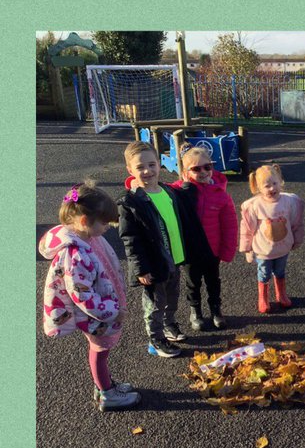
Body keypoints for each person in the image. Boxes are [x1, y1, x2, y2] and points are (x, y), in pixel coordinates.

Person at [39, 182, 138, 409]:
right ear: (84, 221)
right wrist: (113, 312)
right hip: (98, 315)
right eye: (104, 223)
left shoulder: (87, 238)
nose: (108, 227)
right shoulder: (75, 255)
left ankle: (104, 384)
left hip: (102, 308)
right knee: (100, 350)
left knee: (101, 350)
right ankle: (107, 394)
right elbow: (83, 296)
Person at [118, 140, 211, 357]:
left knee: (172, 297)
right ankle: (156, 339)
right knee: (155, 303)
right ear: (130, 170)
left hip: (174, 259)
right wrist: (140, 268)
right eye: (140, 167)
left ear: (159, 164)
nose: (147, 171)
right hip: (154, 264)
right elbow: (130, 238)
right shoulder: (131, 203)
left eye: (151, 164)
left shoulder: (169, 192)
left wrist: (192, 172)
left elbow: (188, 195)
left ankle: (169, 326)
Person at [171, 142, 237, 330]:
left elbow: (230, 225)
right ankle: (196, 311)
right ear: (185, 172)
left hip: (212, 249)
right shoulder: (178, 191)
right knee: (192, 283)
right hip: (190, 250)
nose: (203, 171)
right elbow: (156, 191)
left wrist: (227, 250)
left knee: (213, 281)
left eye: (207, 167)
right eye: (196, 168)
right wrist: (133, 182)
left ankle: (216, 310)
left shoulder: (220, 194)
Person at [239, 163, 305, 314]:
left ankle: (281, 294)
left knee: (280, 271)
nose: (272, 188)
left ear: (280, 181)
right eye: (266, 186)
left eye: (274, 183)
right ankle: (263, 297)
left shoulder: (289, 201)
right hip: (263, 250)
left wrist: (297, 239)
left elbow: (296, 222)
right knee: (264, 273)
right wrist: (247, 249)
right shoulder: (255, 205)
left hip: (282, 248)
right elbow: (247, 229)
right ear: (258, 188)